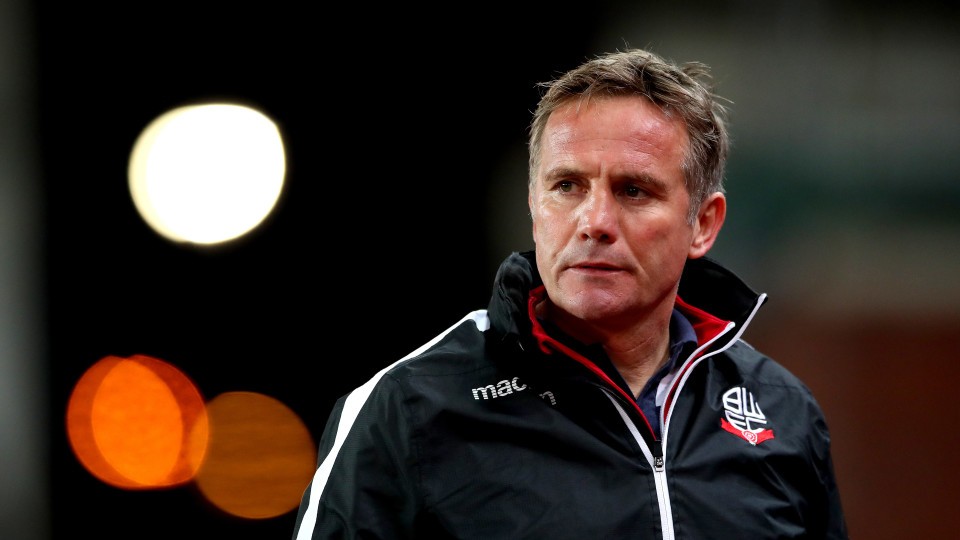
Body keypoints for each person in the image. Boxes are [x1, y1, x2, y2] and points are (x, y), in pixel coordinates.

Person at [291, 48, 848, 539]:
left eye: (633, 190)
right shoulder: (407, 410)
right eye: (567, 186)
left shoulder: (784, 411)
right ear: (534, 206)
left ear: (702, 224)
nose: (594, 221)